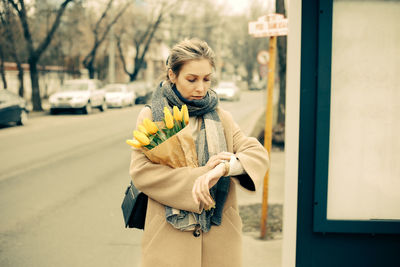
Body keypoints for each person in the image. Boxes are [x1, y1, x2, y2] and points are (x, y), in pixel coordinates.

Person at [129, 38, 269, 267]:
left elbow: (255, 153)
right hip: (169, 238)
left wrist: (224, 168)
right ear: (172, 75)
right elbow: (141, 171)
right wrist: (200, 177)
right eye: (191, 79)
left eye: (207, 79)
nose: (201, 88)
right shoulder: (152, 118)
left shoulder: (222, 117)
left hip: (220, 237)